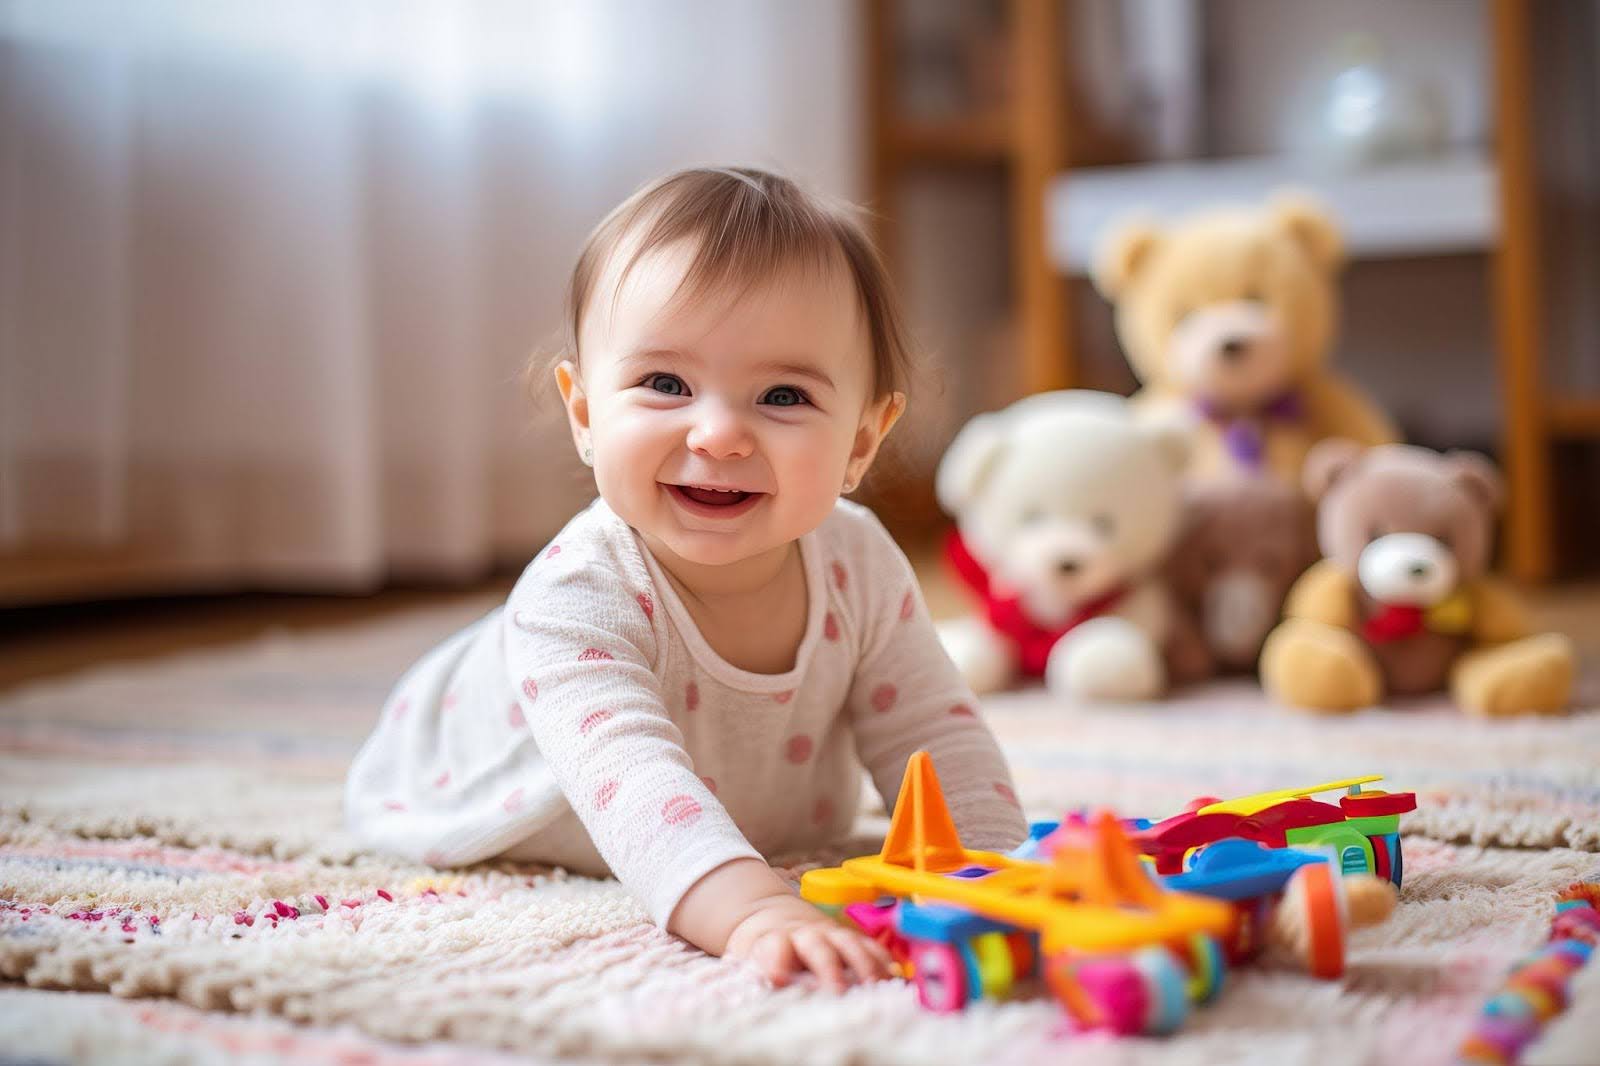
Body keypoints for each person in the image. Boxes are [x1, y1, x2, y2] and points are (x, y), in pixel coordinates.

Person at [345, 166, 1027, 992]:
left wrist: (1000, 872)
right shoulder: (576, 599)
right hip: (477, 768)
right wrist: (752, 911)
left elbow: (934, 731)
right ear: (586, 414)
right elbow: (635, 788)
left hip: (746, 803)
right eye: (665, 385)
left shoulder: (861, 562)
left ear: (860, 443)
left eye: (783, 395)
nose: (720, 433)